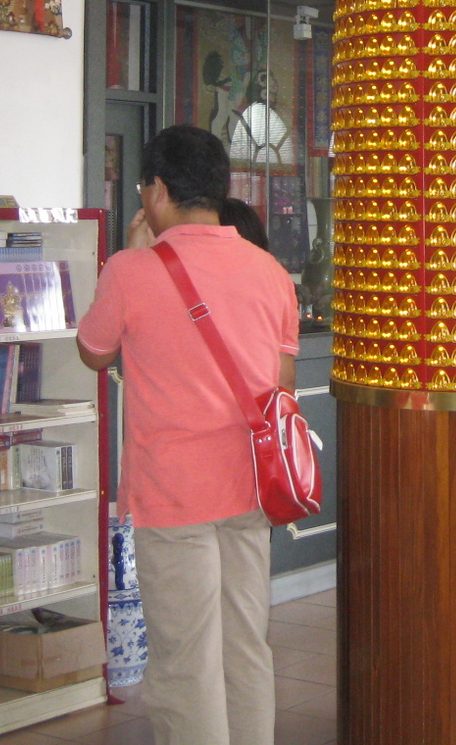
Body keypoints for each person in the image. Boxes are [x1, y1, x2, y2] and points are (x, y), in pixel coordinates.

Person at [78, 125, 298, 745]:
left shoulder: (130, 270)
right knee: (245, 646)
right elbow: (281, 384)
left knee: (184, 660)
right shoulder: (268, 270)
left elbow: (94, 351)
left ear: (158, 190)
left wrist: (129, 256)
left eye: (144, 190)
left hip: (174, 496)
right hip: (252, 486)